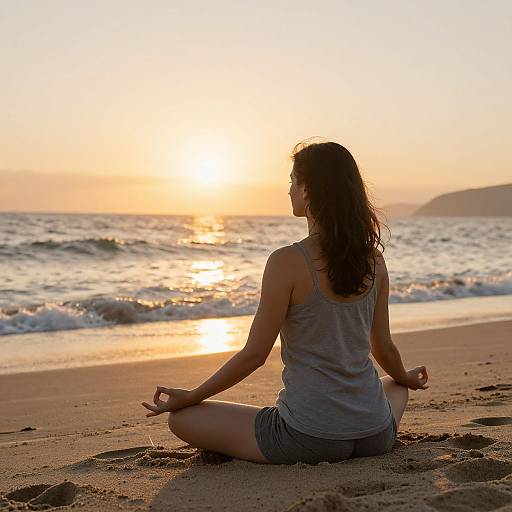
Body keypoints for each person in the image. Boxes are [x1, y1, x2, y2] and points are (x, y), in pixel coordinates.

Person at [141, 138, 429, 465]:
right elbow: (384, 347)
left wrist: (192, 396)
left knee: (181, 419)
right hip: (374, 435)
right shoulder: (375, 261)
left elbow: (254, 355)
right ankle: (376, 407)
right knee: (395, 385)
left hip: (308, 439)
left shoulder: (286, 261)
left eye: (293, 181)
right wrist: (405, 377)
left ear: (308, 191)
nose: (289, 189)